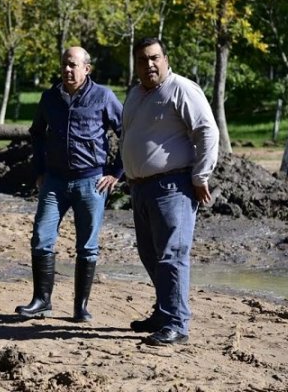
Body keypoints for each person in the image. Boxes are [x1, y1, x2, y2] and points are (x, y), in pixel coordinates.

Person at [120, 37, 219, 345]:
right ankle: (164, 313)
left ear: (165, 59)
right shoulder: (136, 94)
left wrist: (201, 175)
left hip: (173, 186)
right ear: (135, 65)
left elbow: (206, 131)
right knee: (150, 255)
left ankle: (177, 323)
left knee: (172, 255)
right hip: (140, 188)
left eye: (154, 58)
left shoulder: (181, 89)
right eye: (142, 60)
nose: (149, 64)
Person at [15, 46, 123, 322]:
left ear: (87, 69)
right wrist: (38, 170)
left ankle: (80, 307)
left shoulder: (104, 97)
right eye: (64, 64)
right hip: (54, 181)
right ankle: (41, 301)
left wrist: (116, 172)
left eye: (73, 65)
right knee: (41, 238)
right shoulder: (50, 97)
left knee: (87, 247)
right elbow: (37, 133)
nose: (67, 70)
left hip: (92, 181)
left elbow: (127, 132)